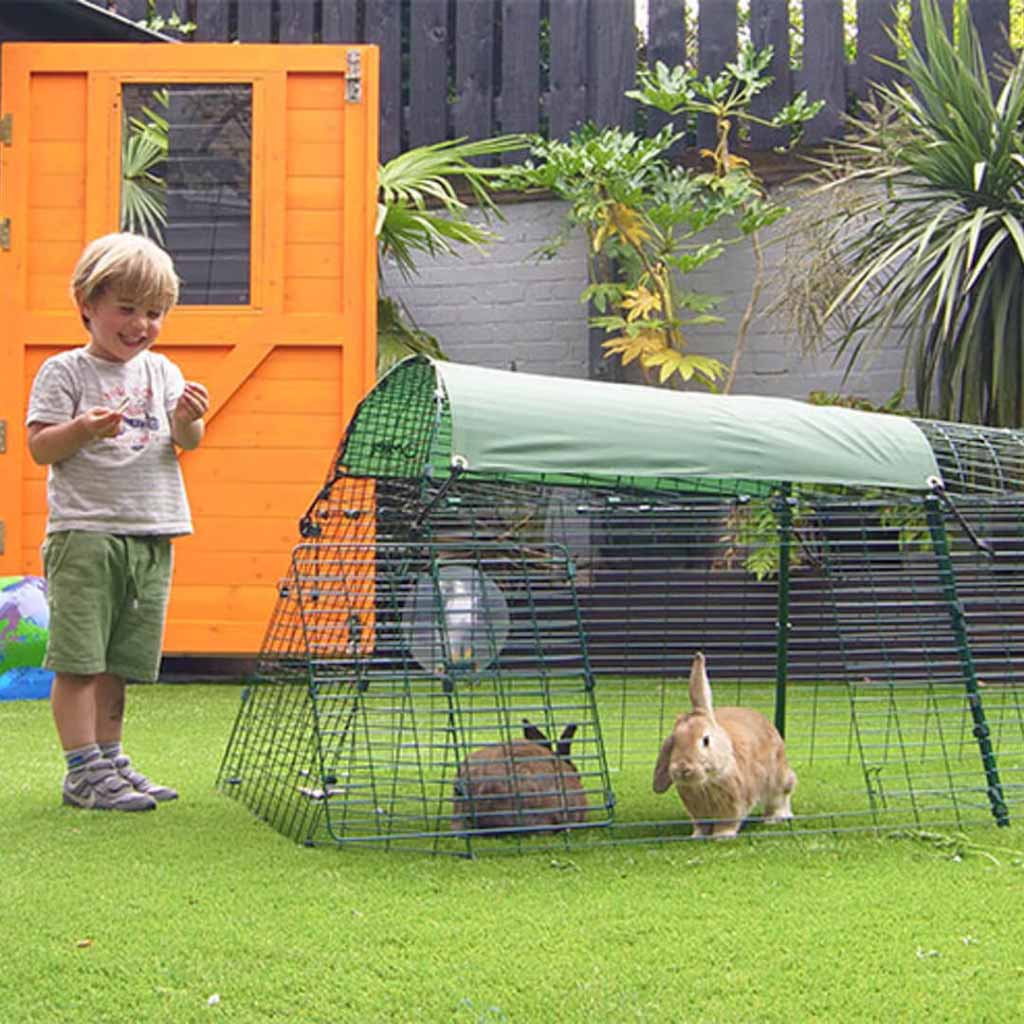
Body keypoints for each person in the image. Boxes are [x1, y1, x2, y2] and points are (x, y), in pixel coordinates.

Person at [25, 232, 209, 811]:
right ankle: (81, 769)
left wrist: (188, 419)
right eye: (126, 309)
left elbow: (186, 442)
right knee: (80, 658)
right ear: (87, 303)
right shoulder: (65, 373)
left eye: (154, 312)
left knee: (120, 660)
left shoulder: (163, 373)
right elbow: (39, 448)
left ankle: (109, 755)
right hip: (85, 534)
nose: (141, 324)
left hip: (151, 530)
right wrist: (82, 429)